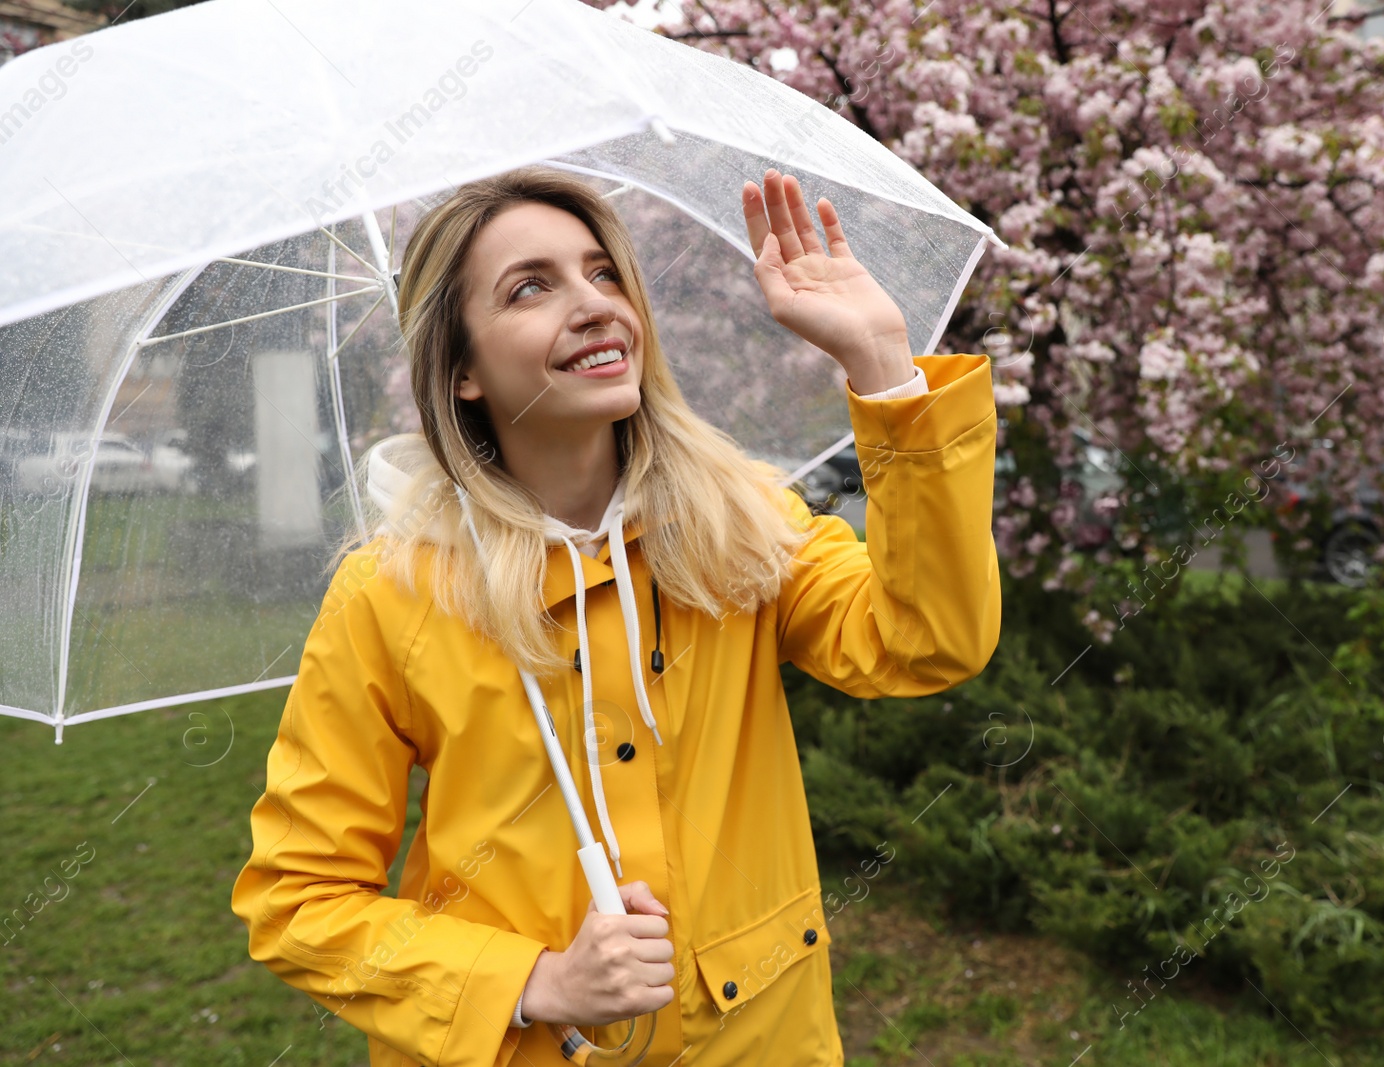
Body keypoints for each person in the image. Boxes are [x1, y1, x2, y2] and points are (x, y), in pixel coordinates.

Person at [231, 164, 1002, 1067]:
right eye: (531, 288)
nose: (596, 305)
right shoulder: (394, 593)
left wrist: (881, 364)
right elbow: (301, 898)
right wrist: (530, 982)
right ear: (463, 370)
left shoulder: (740, 525)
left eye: (604, 273)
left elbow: (927, 641)